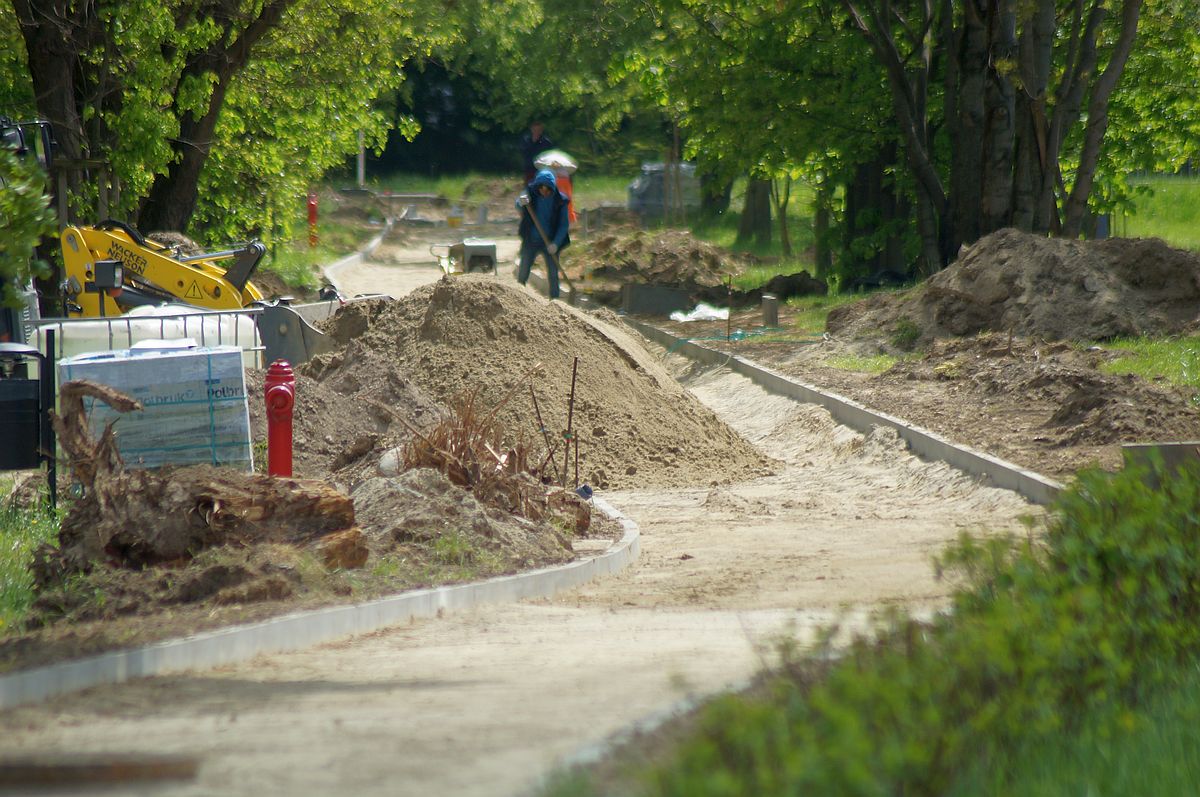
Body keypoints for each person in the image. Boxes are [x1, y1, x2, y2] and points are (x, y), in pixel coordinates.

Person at [516, 169, 570, 300]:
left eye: (547, 190)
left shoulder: (560, 201)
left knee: (552, 273)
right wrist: (520, 203)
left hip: (550, 242)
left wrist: (556, 244)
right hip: (531, 240)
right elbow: (519, 203)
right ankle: (517, 296)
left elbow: (564, 225)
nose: (544, 193)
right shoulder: (530, 193)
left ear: (552, 188)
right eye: (542, 189)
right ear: (537, 187)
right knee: (524, 269)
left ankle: (555, 301)